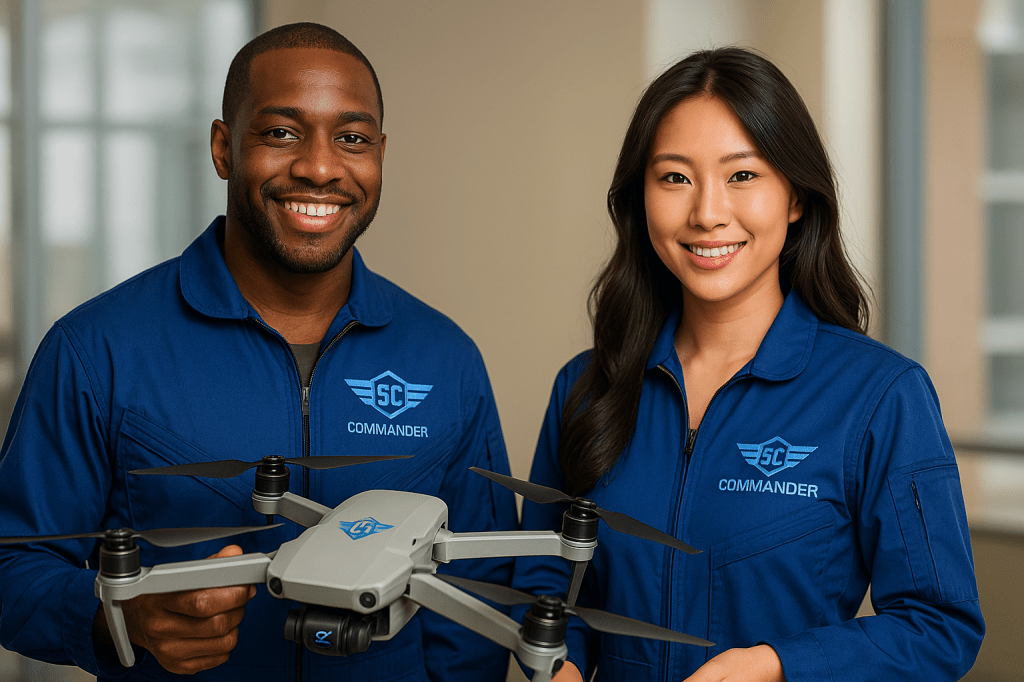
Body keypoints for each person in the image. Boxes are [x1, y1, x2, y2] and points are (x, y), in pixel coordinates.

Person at [0, 22, 517, 682]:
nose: (321, 167)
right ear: (224, 148)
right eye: (281, 132)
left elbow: (478, 589)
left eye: (351, 139)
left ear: (380, 154)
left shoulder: (446, 359)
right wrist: (120, 619)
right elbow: (13, 567)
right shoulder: (97, 348)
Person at [516, 47, 984, 682]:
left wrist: (775, 665)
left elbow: (939, 627)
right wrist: (558, 661)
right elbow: (548, 577)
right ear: (640, 200)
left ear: (795, 198)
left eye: (743, 175)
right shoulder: (585, 385)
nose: (708, 213)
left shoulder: (880, 395)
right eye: (674, 178)